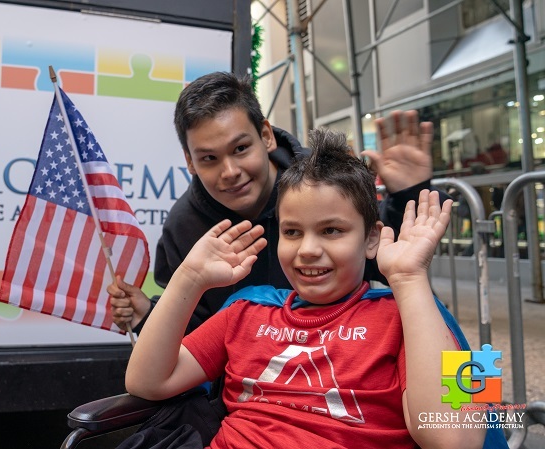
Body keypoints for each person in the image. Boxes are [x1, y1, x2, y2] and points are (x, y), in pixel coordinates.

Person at [125, 129, 486, 448]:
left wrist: (410, 280)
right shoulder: (244, 309)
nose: (308, 249)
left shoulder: (414, 314)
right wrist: (189, 277)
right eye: (292, 232)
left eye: (331, 230)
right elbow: (145, 381)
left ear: (372, 237)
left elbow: (456, 438)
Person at [110, 71, 441, 334]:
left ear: (265, 135)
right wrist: (150, 316)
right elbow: (189, 347)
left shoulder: (326, 179)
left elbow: (468, 397)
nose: (230, 172)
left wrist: (408, 195)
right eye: (209, 158)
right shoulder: (184, 229)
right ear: (190, 162)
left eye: (240, 149)